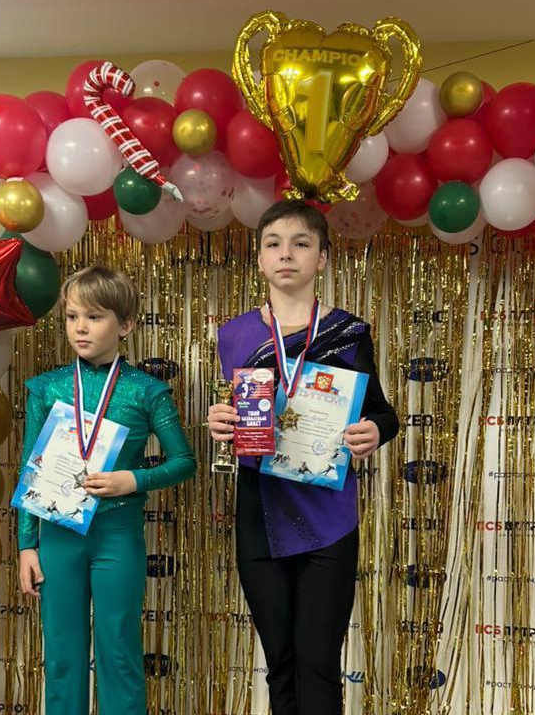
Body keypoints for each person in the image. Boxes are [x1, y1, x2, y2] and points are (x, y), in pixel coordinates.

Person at [208, 200, 399, 715]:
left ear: (322, 258)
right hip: (260, 511)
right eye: (273, 244)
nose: (286, 254)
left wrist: (373, 432)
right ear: (259, 258)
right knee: (281, 662)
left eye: (301, 243)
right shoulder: (234, 334)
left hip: (328, 517)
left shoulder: (350, 332)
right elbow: (237, 412)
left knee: (318, 663)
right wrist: (221, 421)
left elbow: (384, 414)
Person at [16, 266, 196, 715]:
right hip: (58, 536)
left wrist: (133, 479)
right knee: (62, 655)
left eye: (94, 317)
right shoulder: (47, 388)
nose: (80, 327)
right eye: (72, 316)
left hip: (117, 536)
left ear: (126, 324)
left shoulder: (147, 391)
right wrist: (26, 545)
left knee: (118, 651)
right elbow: (30, 469)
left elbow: (184, 461)